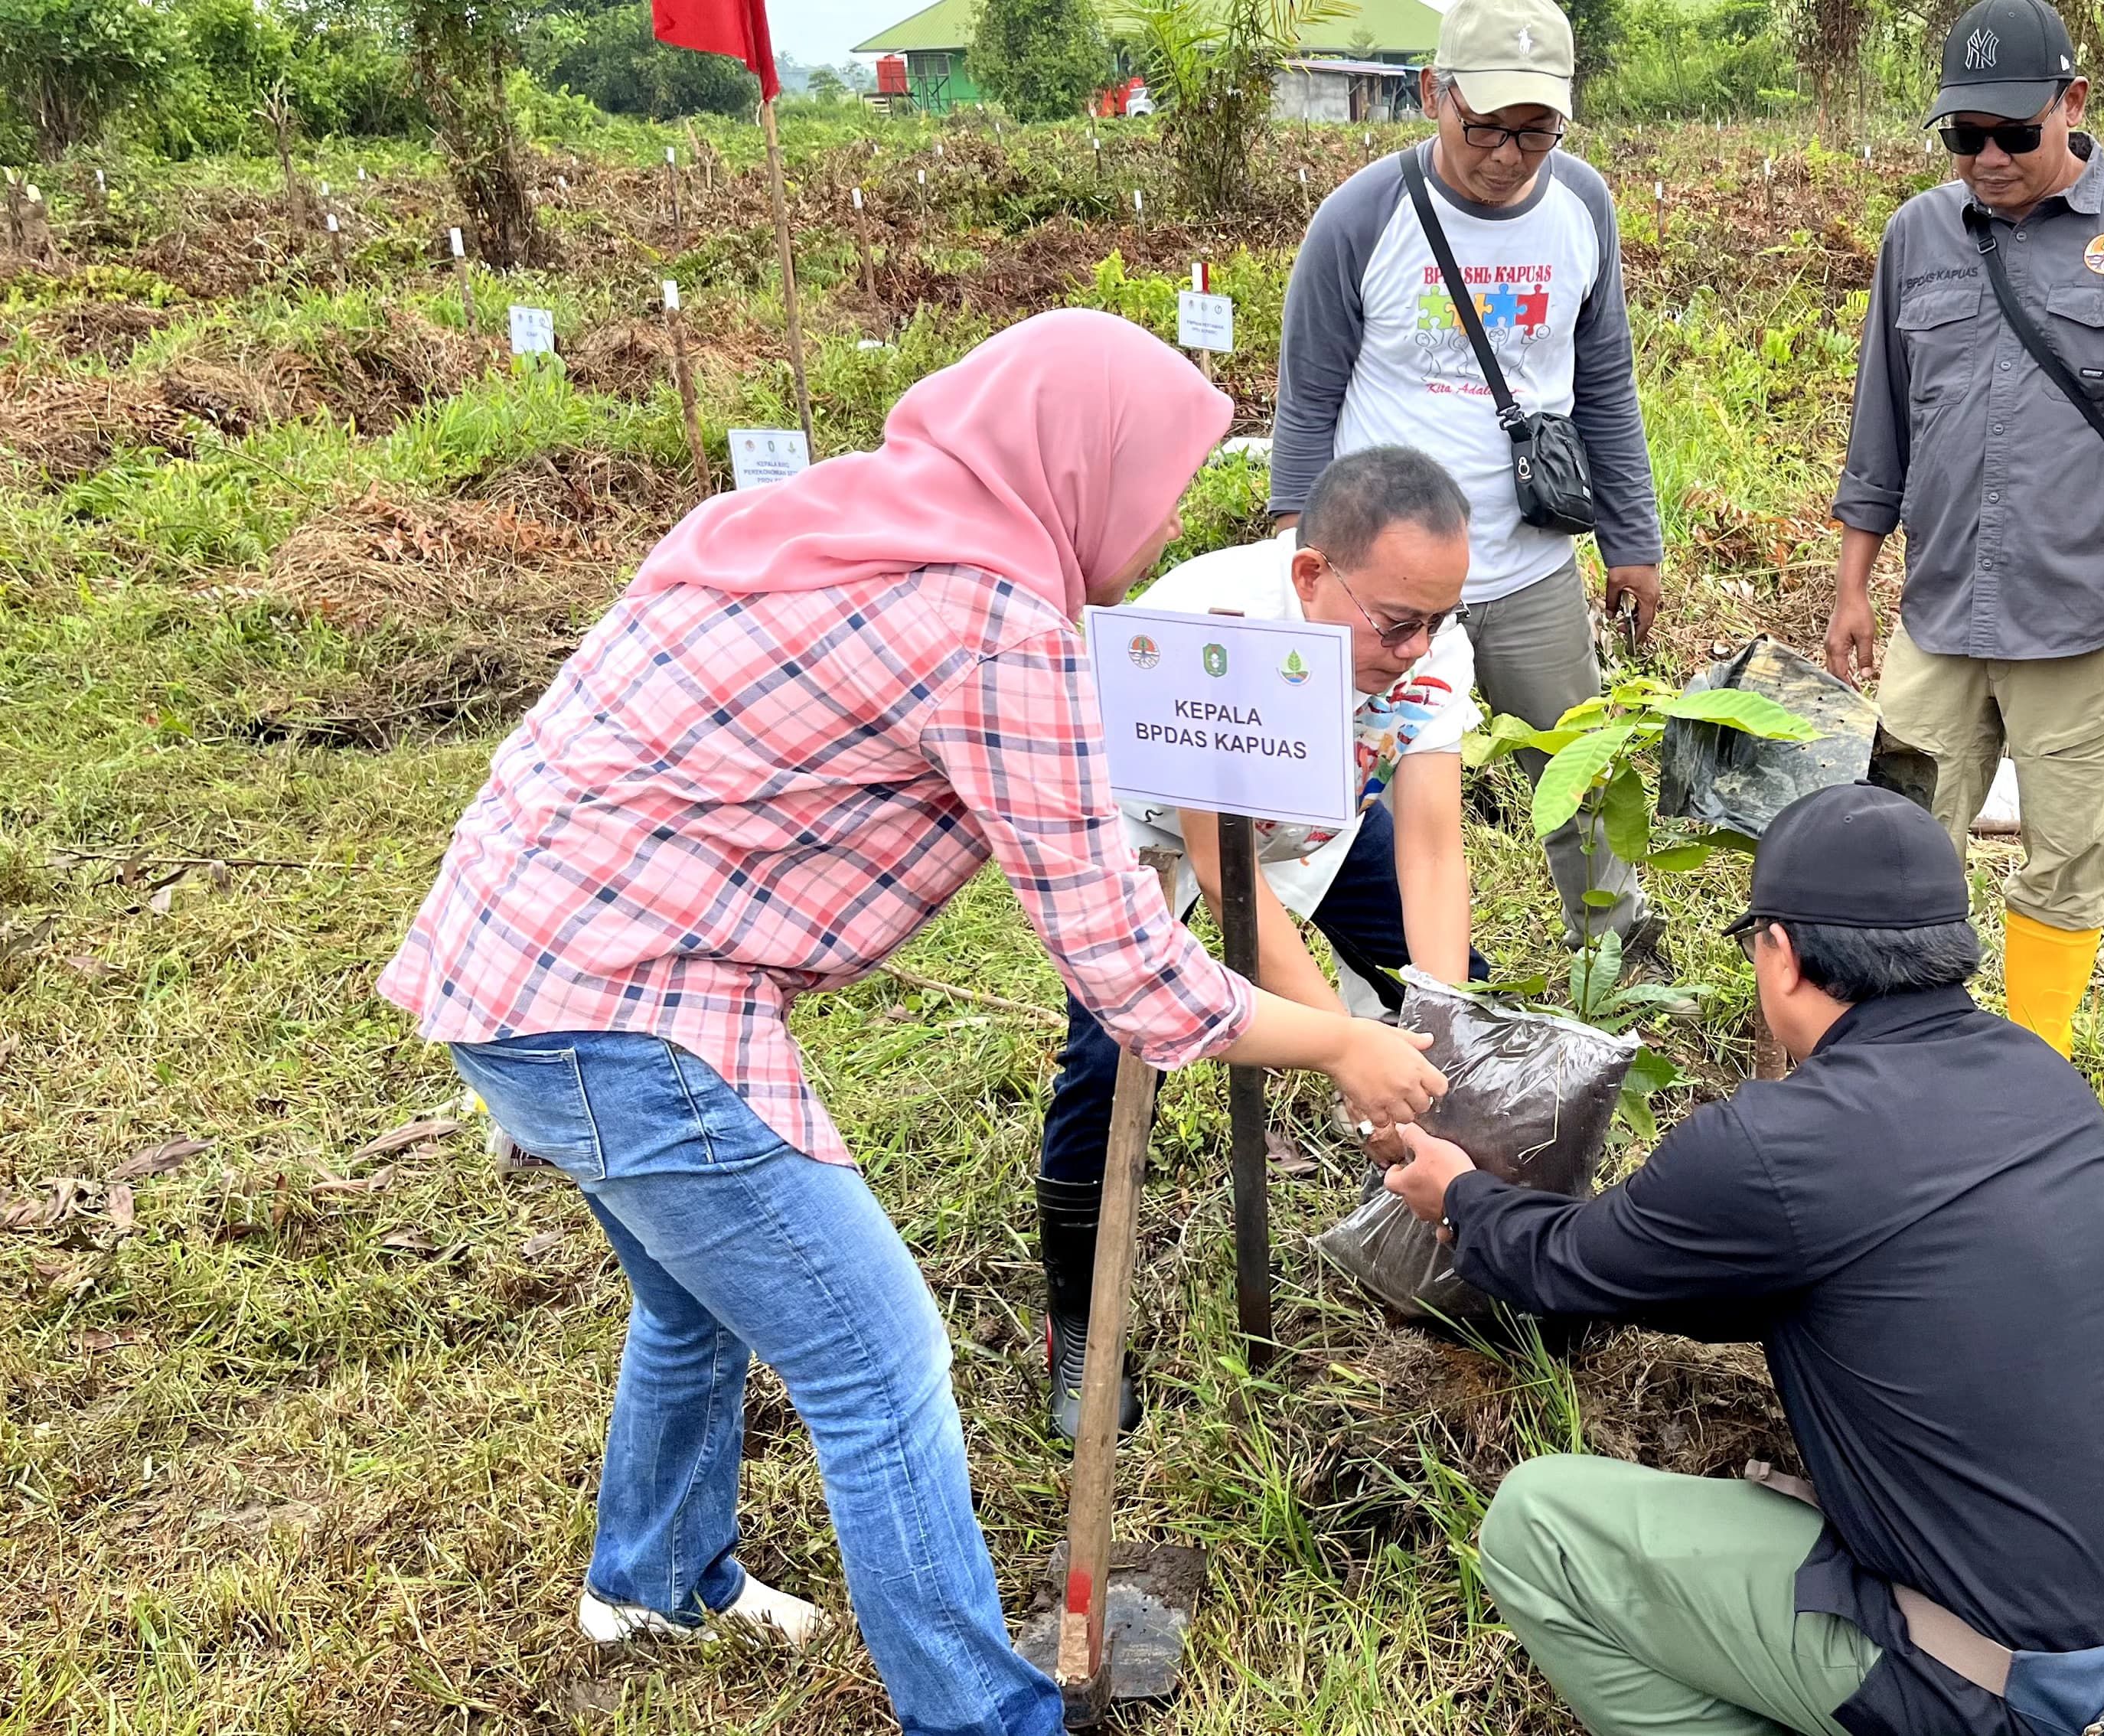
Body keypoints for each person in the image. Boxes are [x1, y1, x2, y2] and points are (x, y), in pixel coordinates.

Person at [377, 310, 1446, 1736]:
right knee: (880, 1362)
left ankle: (653, 1575)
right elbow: (1130, 974)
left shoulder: (821, 520)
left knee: (693, 1298)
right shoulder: (987, 617)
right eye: (1150, 483)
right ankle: (985, 1716)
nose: (1150, 525)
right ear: (1082, 462)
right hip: (627, 1011)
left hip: (508, 961)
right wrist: (1340, 1039)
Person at [1381, 785, 2104, 1736]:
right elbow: (1787, 1285)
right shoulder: (2043, 1078)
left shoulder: (1774, 1147)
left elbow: (1566, 1266)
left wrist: (1459, 1196)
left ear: (1781, 954)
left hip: (2040, 1697)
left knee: (1539, 1523)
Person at [1036, 445, 1489, 1437]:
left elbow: (1432, 848)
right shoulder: (1216, 629)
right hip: (1158, 834)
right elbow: (1227, 882)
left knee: (1469, 1003)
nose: (1420, 647)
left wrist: (1439, 1028)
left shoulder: (1426, 639)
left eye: (1439, 621)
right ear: (1310, 573)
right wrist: (1349, 1056)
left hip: (1314, 817)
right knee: (1110, 1058)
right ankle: (1078, 1320)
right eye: (1398, 623)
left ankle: (1466, 1242)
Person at [1824, 0, 2104, 1060]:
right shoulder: (1918, 236)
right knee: (1901, 838)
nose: (1986, 159)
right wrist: (1855, 585)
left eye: (2012, 134)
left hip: (2082, 613)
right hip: (1939, 609)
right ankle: (1905, 1060)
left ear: (2073, 104)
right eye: (1964, 138)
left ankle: (2036, 1063)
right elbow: (1882, 424)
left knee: (2072, 849)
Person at [1272, 0, 1665, 960]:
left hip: (1527, 567)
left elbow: (1606, 383)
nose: (1506, 155)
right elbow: (1308, 396)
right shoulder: (1364, 215)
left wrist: (1634, 540)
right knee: (1347, 789)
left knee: (1579, 772)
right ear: (1432, 94)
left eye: (1535, 132)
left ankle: (1616, 956)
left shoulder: (1584, 208)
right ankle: (1381, 974)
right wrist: (1295, 556)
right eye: (1483, 126)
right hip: (1384, 585)